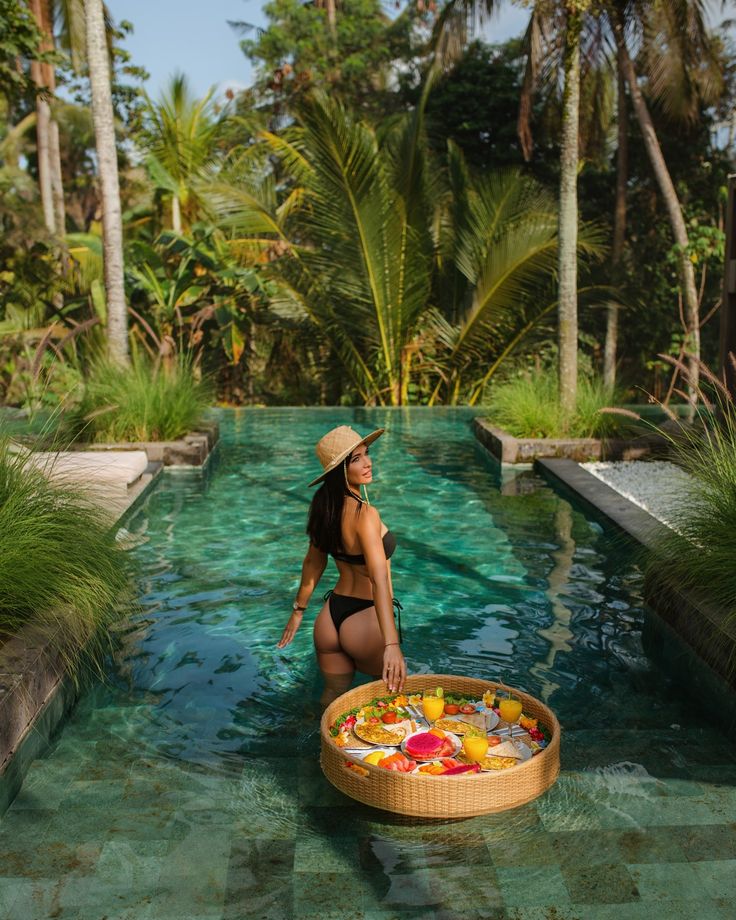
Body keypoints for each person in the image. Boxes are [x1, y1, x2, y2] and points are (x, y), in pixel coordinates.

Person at [277, 425, 407, 706]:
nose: (368, 463)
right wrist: (392, 644)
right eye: (356, 459)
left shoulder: (325, 508)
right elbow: (379, 580)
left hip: (329, 620)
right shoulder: (365, 514)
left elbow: (313, 563)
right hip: (365, 621)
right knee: (387, 701)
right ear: (341, 470)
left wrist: (299, 611)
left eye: (366, 454)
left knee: (332, 702)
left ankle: (317, 747)